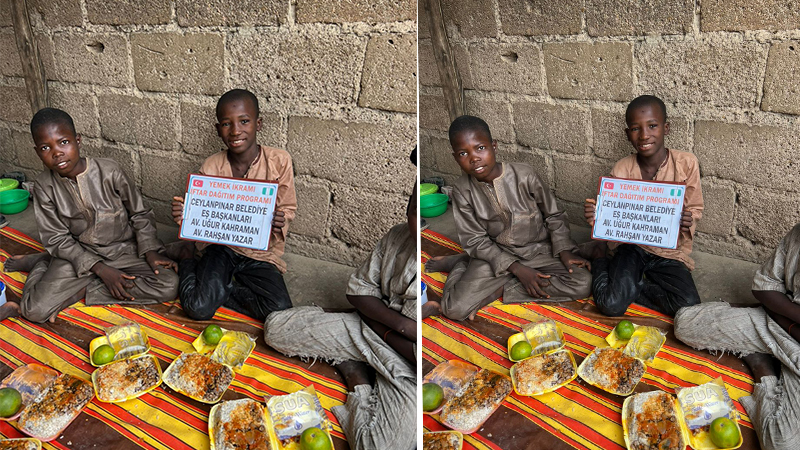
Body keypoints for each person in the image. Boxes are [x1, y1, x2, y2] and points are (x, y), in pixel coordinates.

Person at [263, 187, 417, 450]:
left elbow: (421, 352)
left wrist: (377, 320)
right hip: (370, 331)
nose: (419, 221)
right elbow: (359, 292)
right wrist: (400, 325)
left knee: (379, 446)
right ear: (407, 207)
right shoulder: (398, 236)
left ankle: (358, 379)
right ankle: (352, 350)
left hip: (408, 368)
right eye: (415, 210)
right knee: (276, 330)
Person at [0, 108, 179, 323]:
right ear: (38, 152)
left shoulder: (109, 171)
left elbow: (140, 213)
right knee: (35, 311)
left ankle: (81, 290)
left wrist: (150, 251)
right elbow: (57, 238)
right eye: (46, 147)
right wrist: (100, 269)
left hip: (123, 249)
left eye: (64, 142)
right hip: (77, 254)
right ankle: (42, 266)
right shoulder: (44, 185)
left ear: (78, 140)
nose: (57, 153)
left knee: (169, 285)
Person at [426, 115, 592, 321]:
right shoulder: (462, 190)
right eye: (463, 153)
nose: (474, 158)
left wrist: (565, 250)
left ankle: (501, 287)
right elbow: (475, 239)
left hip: (539, 249)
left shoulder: (525, 175)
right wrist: (517, 268)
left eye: (480, 148)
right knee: (454, 310)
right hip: (496, 254)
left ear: (494, 146)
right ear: (455, 157)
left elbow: (554, 215)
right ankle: (462, 266)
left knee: (582, 283)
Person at [170, 89, 296, 322]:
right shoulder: (211, 166)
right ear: (219, 130)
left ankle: (223, 291)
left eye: (244, 121)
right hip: (220, 247)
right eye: (227, 124)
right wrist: (185, 216)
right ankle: (186, 256)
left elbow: (288, 207)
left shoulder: (279, 161)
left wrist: (281, 219)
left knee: (279, 311)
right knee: (198, 309)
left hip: (258, 251)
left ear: (258, 124)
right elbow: (199, 214)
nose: (236, 131)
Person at [674, 223, 800, 450]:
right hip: (775, 324)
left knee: (781, 444)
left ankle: (764, 370)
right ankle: (761, 343)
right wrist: (776, 312)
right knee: (685, 323)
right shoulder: (798, 234)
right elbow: (764, 287)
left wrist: (774, 308)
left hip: (791, 342)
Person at [583, 95, 702, 317]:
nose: (645, 135)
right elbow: (610, 214)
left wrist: (689, 219)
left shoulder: (686, 163)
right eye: (636, 129)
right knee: (611, 305)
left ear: (666, 128)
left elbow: (695, 207)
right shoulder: (621, 169)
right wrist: (597, 217)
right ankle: (599, 258)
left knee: (689, 306)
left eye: (653, 126)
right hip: (630, 246)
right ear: (628, 135)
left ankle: (634, 288)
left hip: (666, 249)